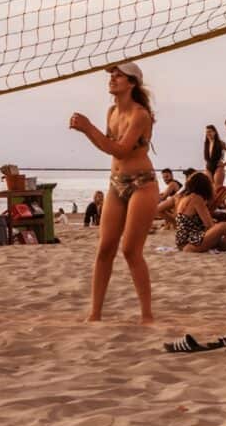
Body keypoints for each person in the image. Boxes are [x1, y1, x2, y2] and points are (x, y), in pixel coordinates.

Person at [68, 63, 159, 321]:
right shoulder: (112, 111)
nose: (113, 78)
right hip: (116, 183)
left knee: (130, 250)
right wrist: (88, 131)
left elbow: (120, 150)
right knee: (105, 248)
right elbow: (108, 146)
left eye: (119, 76)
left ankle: (147, 315)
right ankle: (95, 313)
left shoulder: (140, 115)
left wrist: (88, 128)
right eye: (112, 75)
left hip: (143, 184)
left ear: (132, 83)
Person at [172, 171, 226, 253]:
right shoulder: (196, 198)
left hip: (181, 241)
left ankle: (224, 246)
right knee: (224, 226)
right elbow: (209, 225)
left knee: (219, 230)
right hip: (192, 243)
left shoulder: (183, 198)